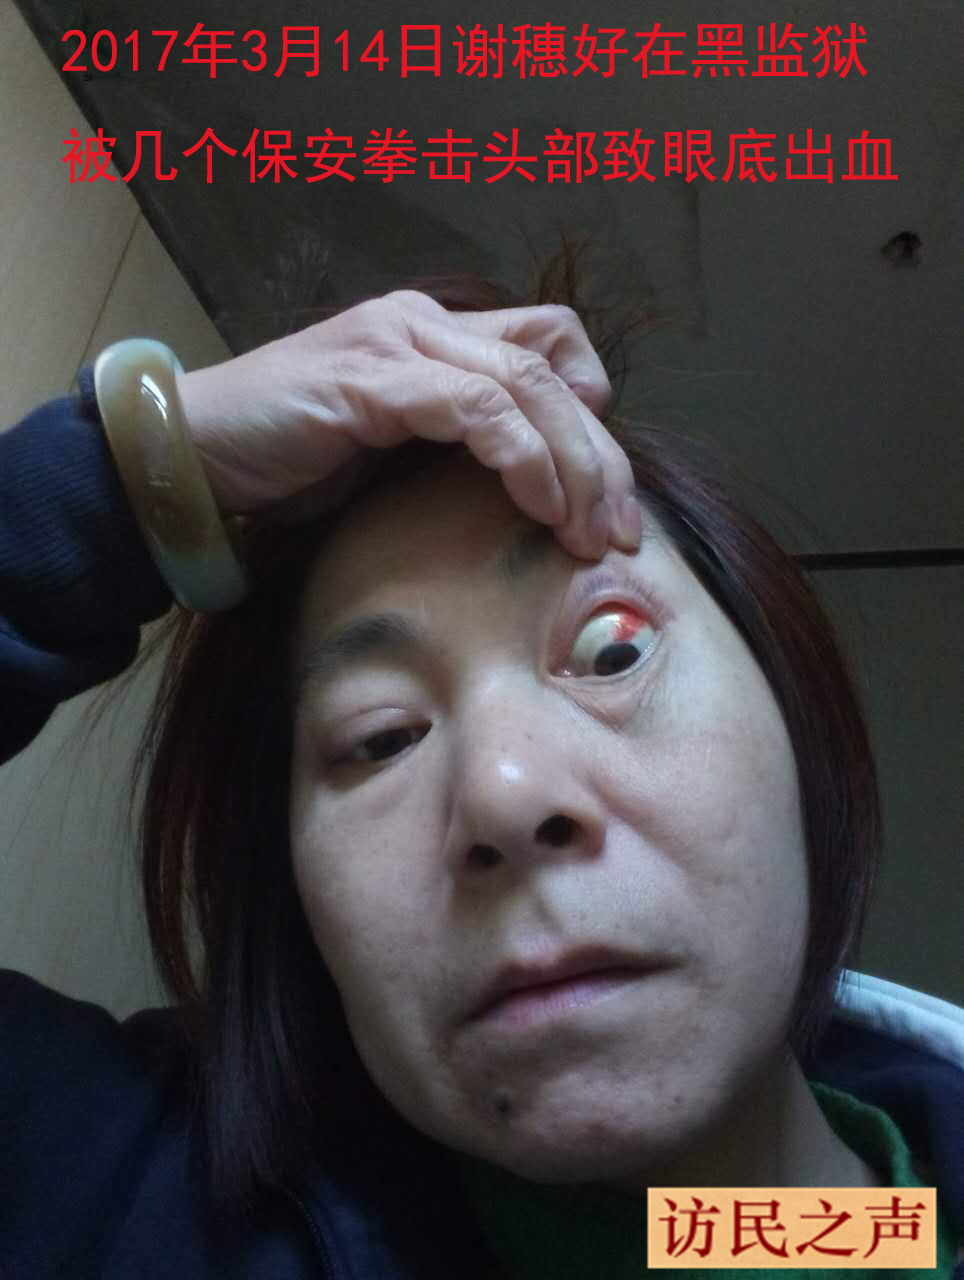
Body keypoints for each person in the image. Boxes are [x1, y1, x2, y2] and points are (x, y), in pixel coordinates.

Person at [1, 265, 962, 1280]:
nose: (505, 791)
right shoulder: (135, 1212)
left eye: (612, 652)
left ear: (798, 740)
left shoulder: (876, 1229)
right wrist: (131, 471)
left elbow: (725, 1239)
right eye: (381, 738)